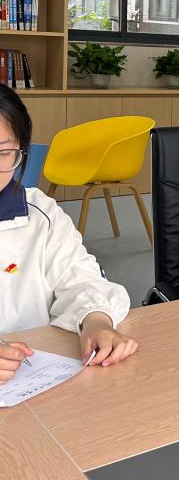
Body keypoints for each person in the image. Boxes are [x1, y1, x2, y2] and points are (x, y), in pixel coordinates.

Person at [0, 84, 136, 383]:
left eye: (4, 153)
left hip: (31, 376)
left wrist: (96, 321)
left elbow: (81, 279)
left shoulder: (41, 214)